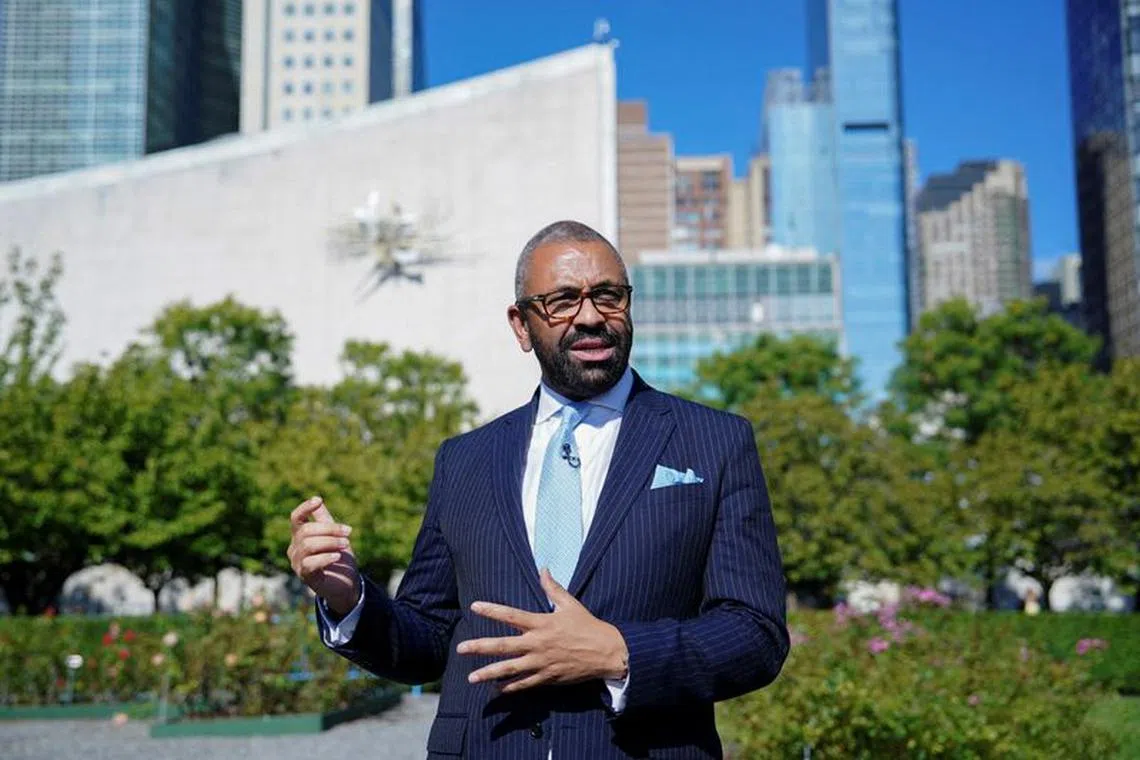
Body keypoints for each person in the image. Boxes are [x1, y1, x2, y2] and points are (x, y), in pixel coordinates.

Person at [287, 220, 789, 758]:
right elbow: (430, 640)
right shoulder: (464, 460)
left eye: (608, 296)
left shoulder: (715, 441)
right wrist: (347, 597)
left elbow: (755, 632)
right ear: (521, 325)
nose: (591, 316)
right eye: (562, 301)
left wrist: (621, 654)